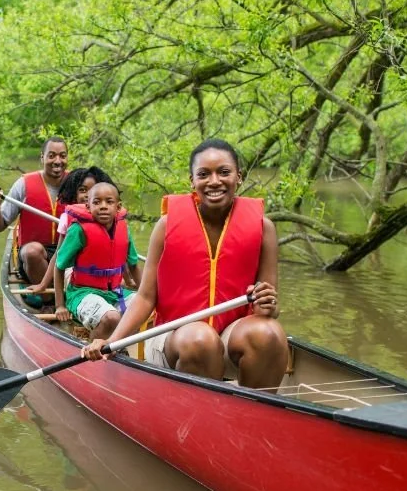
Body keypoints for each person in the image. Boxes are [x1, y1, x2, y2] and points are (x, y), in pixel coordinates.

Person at [82, 138, 288, 389]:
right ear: (192, 181)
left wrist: (268, 305)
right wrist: (112, 342)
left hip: (229, 337)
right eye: (204, 174)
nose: (214, 181)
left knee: (270, 333)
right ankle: (200, 416)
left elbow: (269, 310)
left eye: (224, 172)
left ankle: (255, 415)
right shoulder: (167, 225)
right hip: (176, 338)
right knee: (201, 340)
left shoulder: (263, 228)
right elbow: (146, 297)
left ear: (239, 177)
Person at [54, 182, 143, 340]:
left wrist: (145, 295)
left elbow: (134, 265)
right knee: (111, 318)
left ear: (118, 206)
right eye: (97, 202)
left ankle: (119, 347)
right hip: (82, 293)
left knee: (145, 310)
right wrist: (60, 305)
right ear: (88, 206)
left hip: (115, 293)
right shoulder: (78, 230)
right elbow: (59, 266)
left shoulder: (123, 229)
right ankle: (92, 345)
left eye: (109, 202)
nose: (103, 206)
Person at [0, 137, 68, 287]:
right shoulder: (23, 184)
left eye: (62, 156)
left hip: (68, 251)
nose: (58, 161)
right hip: (35, 257)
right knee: (32, 251)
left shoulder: (78, 183)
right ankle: (48, 300)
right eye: (51, 156)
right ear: (42, 158)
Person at [25, 166, 114, 295]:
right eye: (82, 190)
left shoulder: (107, 217)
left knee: (119, 282)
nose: (87, 195)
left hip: (104, 272)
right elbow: (58, 254)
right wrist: (43, 285)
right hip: (75, 273)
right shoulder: (68, 219)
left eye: (92, 190)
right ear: (74, 194)